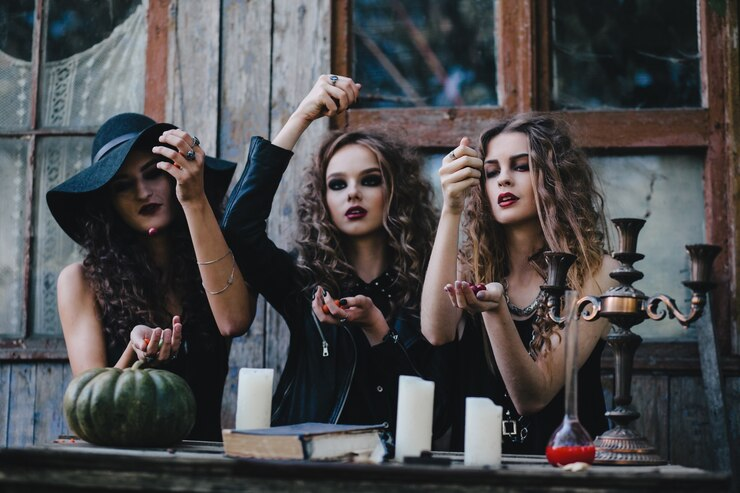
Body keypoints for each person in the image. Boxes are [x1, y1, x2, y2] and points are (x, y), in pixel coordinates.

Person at [221, 75, 452, 439]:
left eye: (370, 180)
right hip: (306, 469)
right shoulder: (303, 280)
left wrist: (377, 328)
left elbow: (435, 417)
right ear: (323, 200)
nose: (353, 194)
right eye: (338, 184)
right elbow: (237, 226)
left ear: (397, 191)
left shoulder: (430, 288)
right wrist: (301, 117)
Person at [47, 113, 255, 441]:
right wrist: (136, 351)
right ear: (108, 202)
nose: (143, 192)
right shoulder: (80, 281)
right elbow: (92, 410)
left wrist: (194, 198)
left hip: (206, 467)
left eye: (153, 174)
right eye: (123, 185)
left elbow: (234, 322)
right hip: (122, 470)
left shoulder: (216, 262)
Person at [421, 113, 619, 454]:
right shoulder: (472, 265)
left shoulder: (597, 270)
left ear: (556, 177)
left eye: (521, 166)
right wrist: (452, 205)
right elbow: (436, 332)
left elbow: (534, 396)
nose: (503, 181)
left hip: (566, 469)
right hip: (478, 468)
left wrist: (495, 310)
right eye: (492, 171)